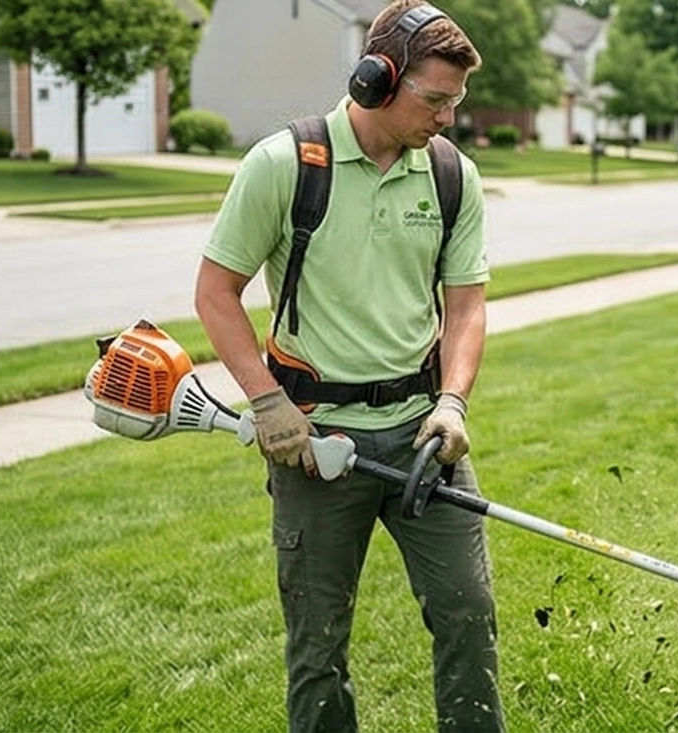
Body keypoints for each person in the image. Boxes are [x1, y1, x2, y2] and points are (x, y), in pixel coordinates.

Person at [193, 1, 500, 730]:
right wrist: (268, 403)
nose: (448, 118)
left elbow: (466, 309)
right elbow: (215, 294)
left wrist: (452, 403)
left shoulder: (452, 176)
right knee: (319, 643)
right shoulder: (284, 166)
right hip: (315, 446)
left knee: (469, 612)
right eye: (434, 100)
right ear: (375, 80)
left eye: (457, 102)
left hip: (424, 438)